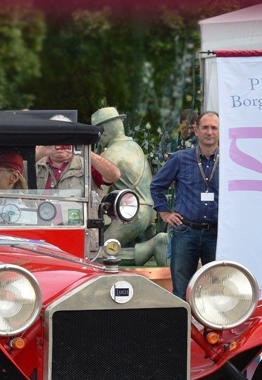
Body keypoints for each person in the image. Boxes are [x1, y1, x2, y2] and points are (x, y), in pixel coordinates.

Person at [151, 111, 221, 298]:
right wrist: (165, 214)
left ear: (220, 132)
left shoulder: (230, 161)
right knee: (181, 291)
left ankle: (211, 329)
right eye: (205, 127)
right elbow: (157, 186)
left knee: (216, 291)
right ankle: (185, 328)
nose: (209, 132)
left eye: (214, 128)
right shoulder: (180, 158)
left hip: (217, 234)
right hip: (185, 231)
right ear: (196, 131)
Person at [91, 106, 158, 251]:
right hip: (148, 210)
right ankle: (148, 247)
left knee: (98, 251)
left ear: (104, 131)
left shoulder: (112, 153)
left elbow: (99, 195)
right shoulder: (134, 146)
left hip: (130, 214)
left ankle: (152, 247)